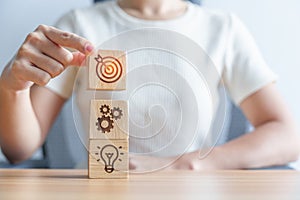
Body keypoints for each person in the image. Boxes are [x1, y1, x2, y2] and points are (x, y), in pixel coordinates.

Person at [0, 0, 299, 171]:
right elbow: (20, 150)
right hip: (100, 192)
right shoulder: (79, 24)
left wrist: (182, 166)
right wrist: (13, 87)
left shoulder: (223, 29)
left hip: (190, 192)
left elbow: (287, 135)